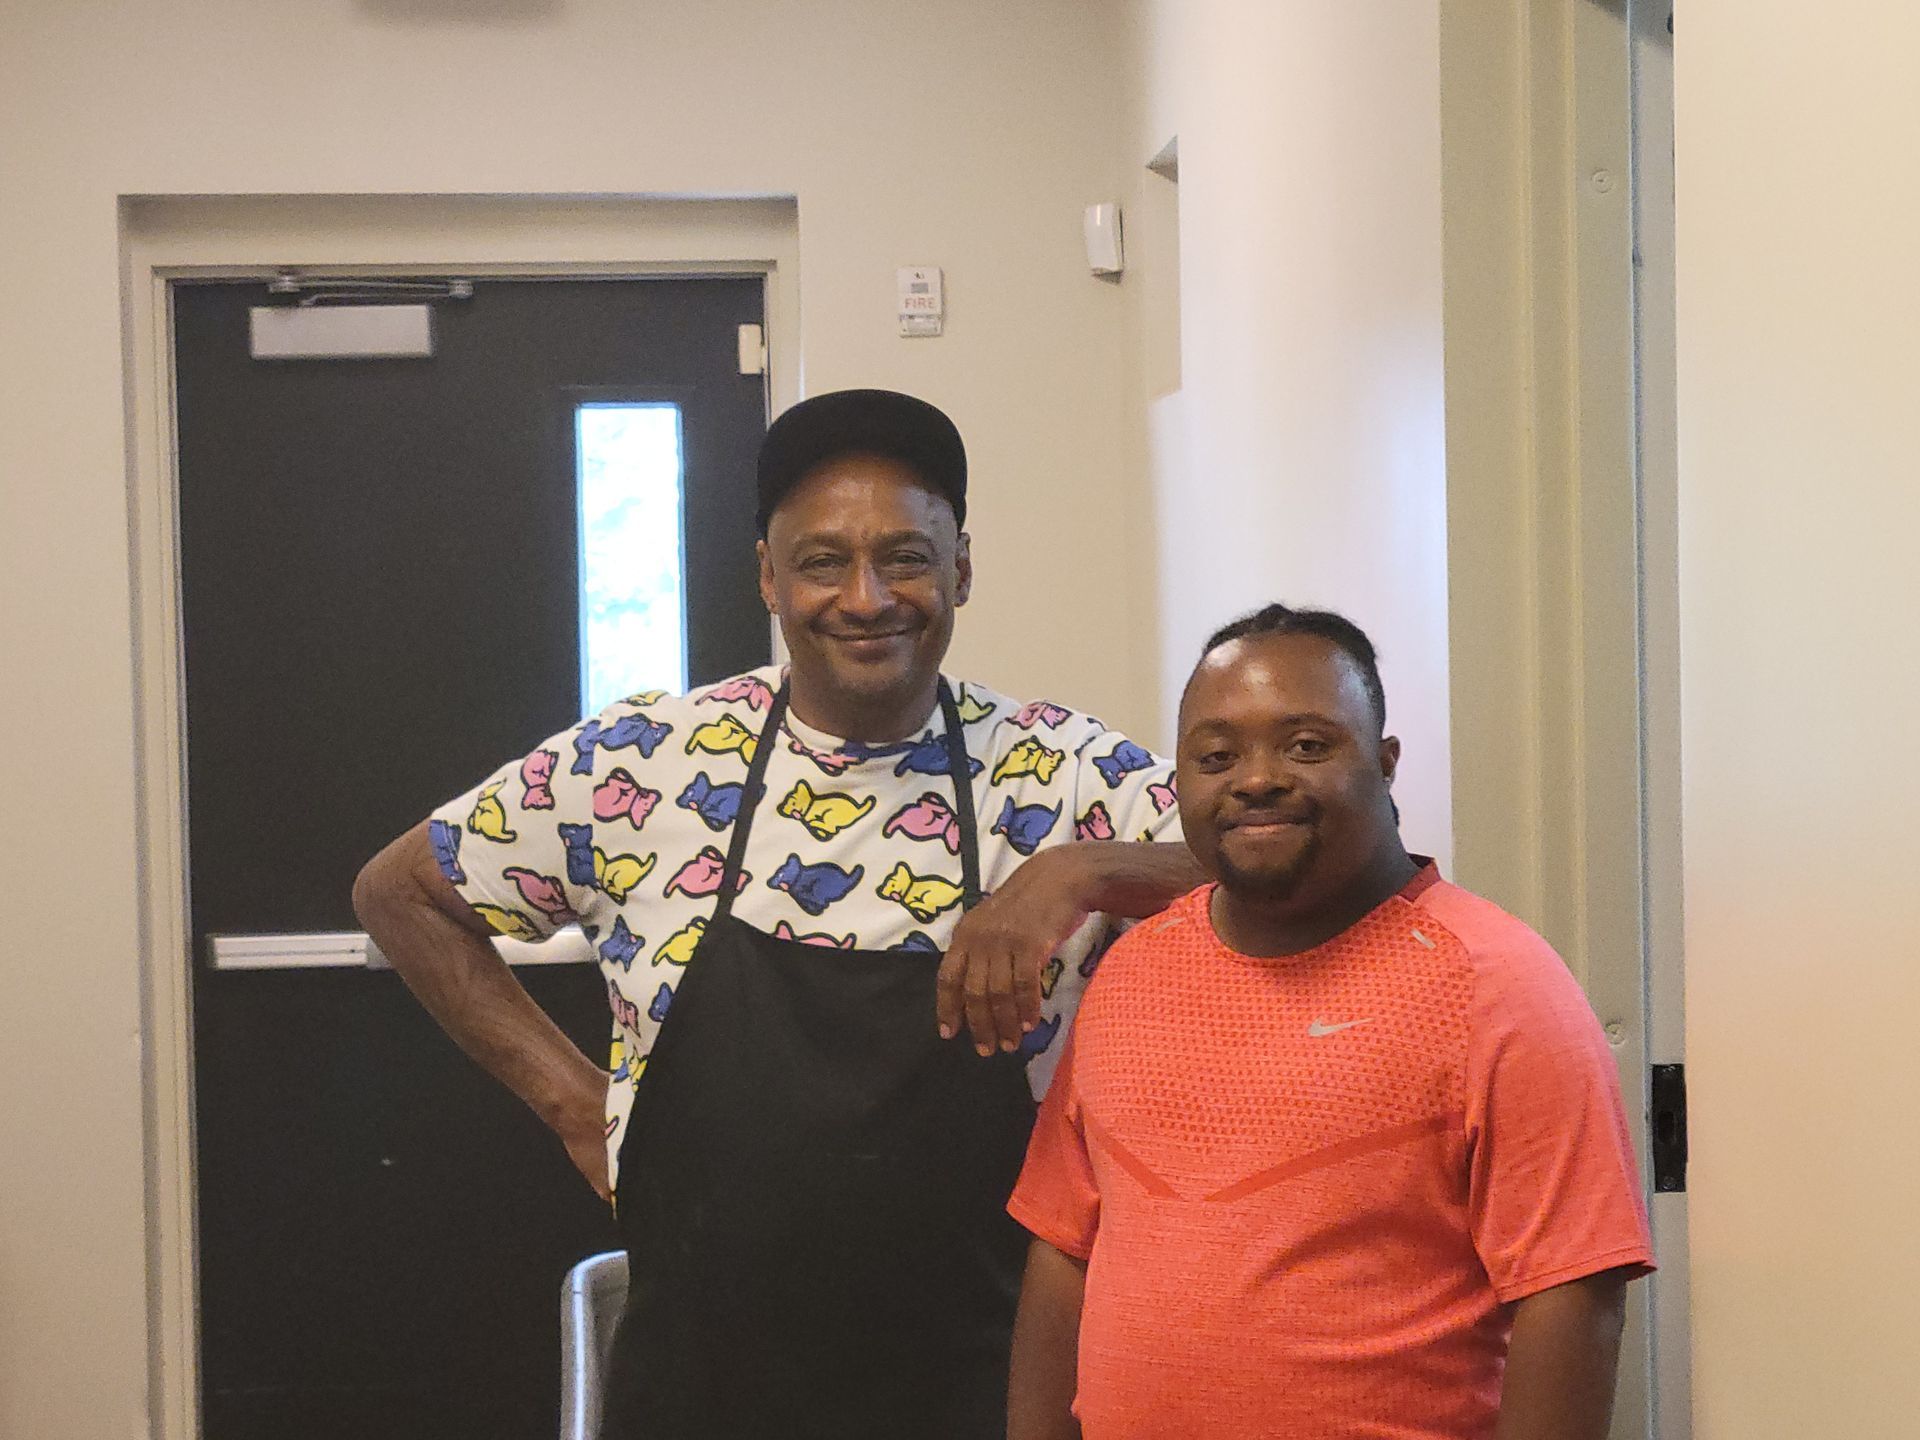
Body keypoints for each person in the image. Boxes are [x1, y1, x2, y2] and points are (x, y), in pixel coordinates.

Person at [351, 388, 1200, 1440]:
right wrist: (576, 1105)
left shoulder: (1059, 773)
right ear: (767, 575)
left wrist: (1077, 872)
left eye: (905, 556)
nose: (866, 596)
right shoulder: (646, 764)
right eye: (821, 560)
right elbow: (401, 893)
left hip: (980, 1390)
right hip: (702, 1395)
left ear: (961, 569)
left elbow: (1301, 863)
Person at [1005, 604, 1655, 1440]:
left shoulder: (1500, 988)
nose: (1257, 777)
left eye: (1307, 745)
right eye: (1215, 756)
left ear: (1385, 764)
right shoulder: (1132, 972)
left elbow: (1573, 1300)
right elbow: (1064, 1250)